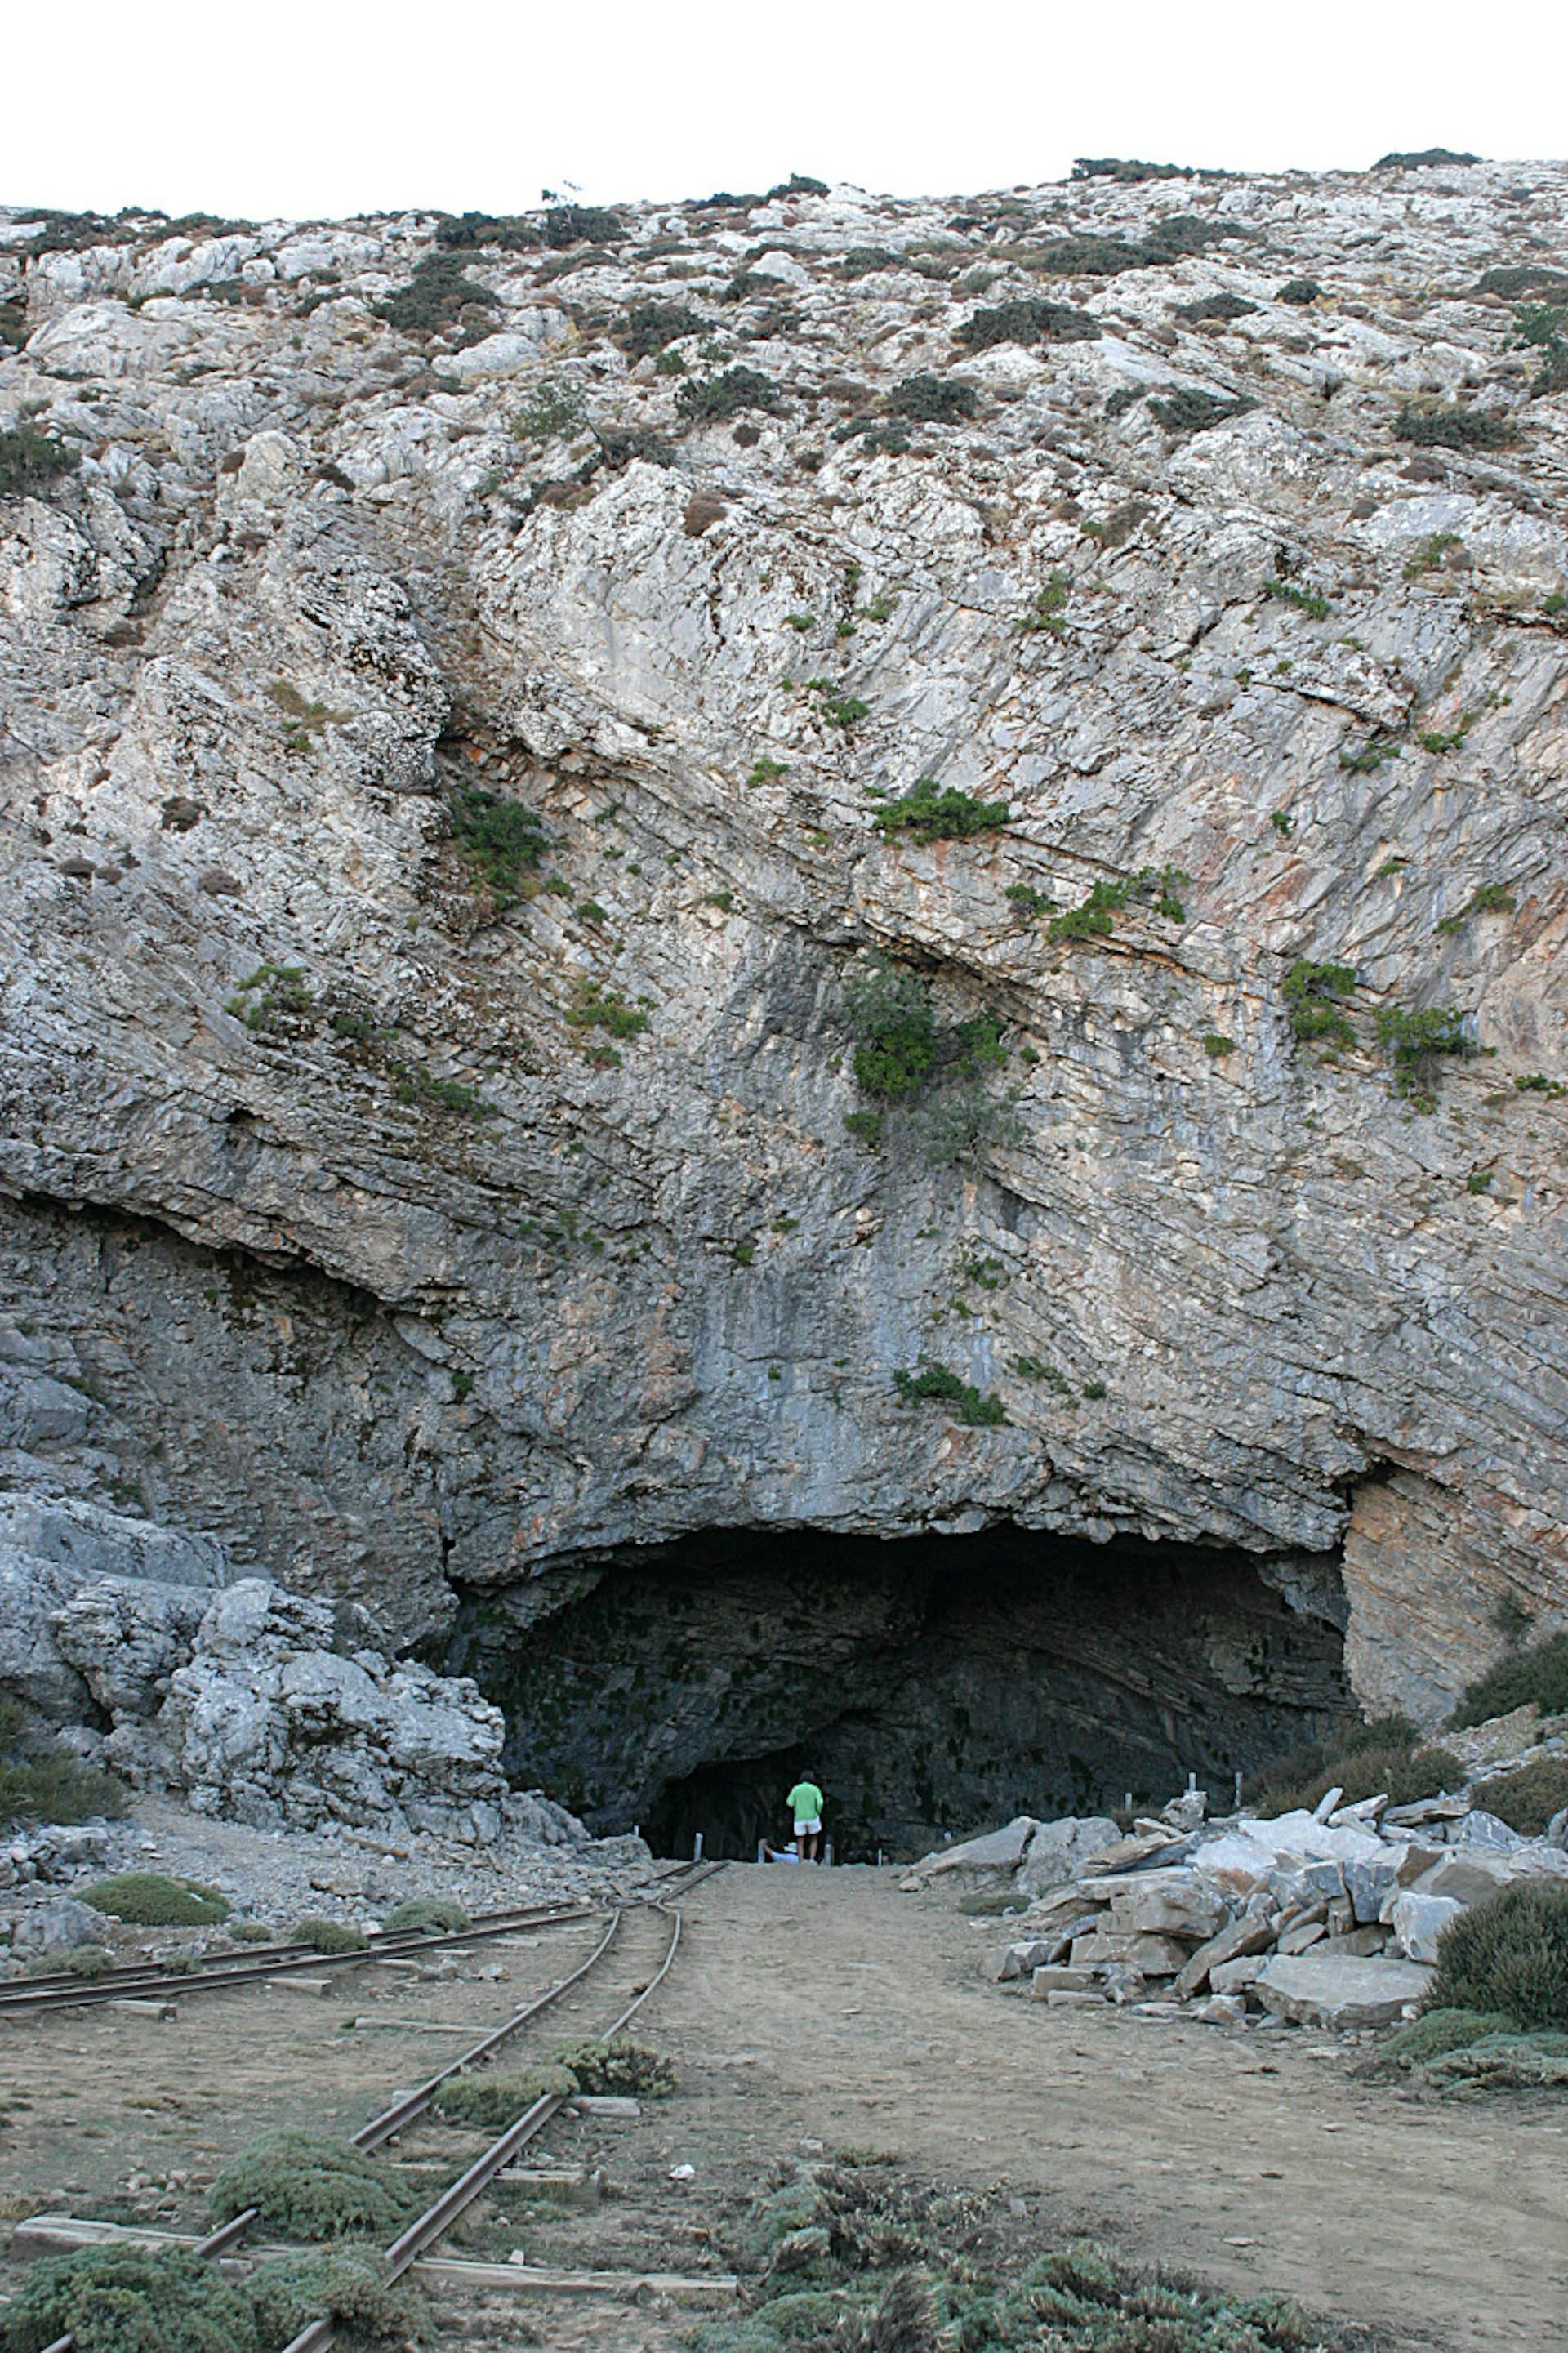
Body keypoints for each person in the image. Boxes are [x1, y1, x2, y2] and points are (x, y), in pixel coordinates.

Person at [786, 1772, 824, 1862]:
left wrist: (796, 1807)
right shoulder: (815, 1789)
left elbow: (789, 1802)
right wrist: (818, 1810)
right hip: (813, 1817)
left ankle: (801, 1860)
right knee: (814, 1838)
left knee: (800, 1841)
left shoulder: (796, 1789)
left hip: (799, 1817)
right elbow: (820, 1803)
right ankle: (811, 1859)